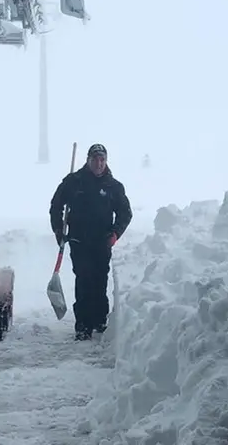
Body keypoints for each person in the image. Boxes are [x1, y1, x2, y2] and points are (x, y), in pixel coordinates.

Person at [49, 143, 133, 340]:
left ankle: (99, 320)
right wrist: (58, 229)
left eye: (102, 159)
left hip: (102, 242)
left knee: (99, 280)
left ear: (106, 161)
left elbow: (125, 213)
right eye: (95, 159)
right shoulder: (73, 182)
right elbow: (55, 206)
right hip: (79, 240)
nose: (99, 163)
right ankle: (83, 325)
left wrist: (115, 234)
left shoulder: (113, 186)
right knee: (83, 280)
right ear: (88, 160)